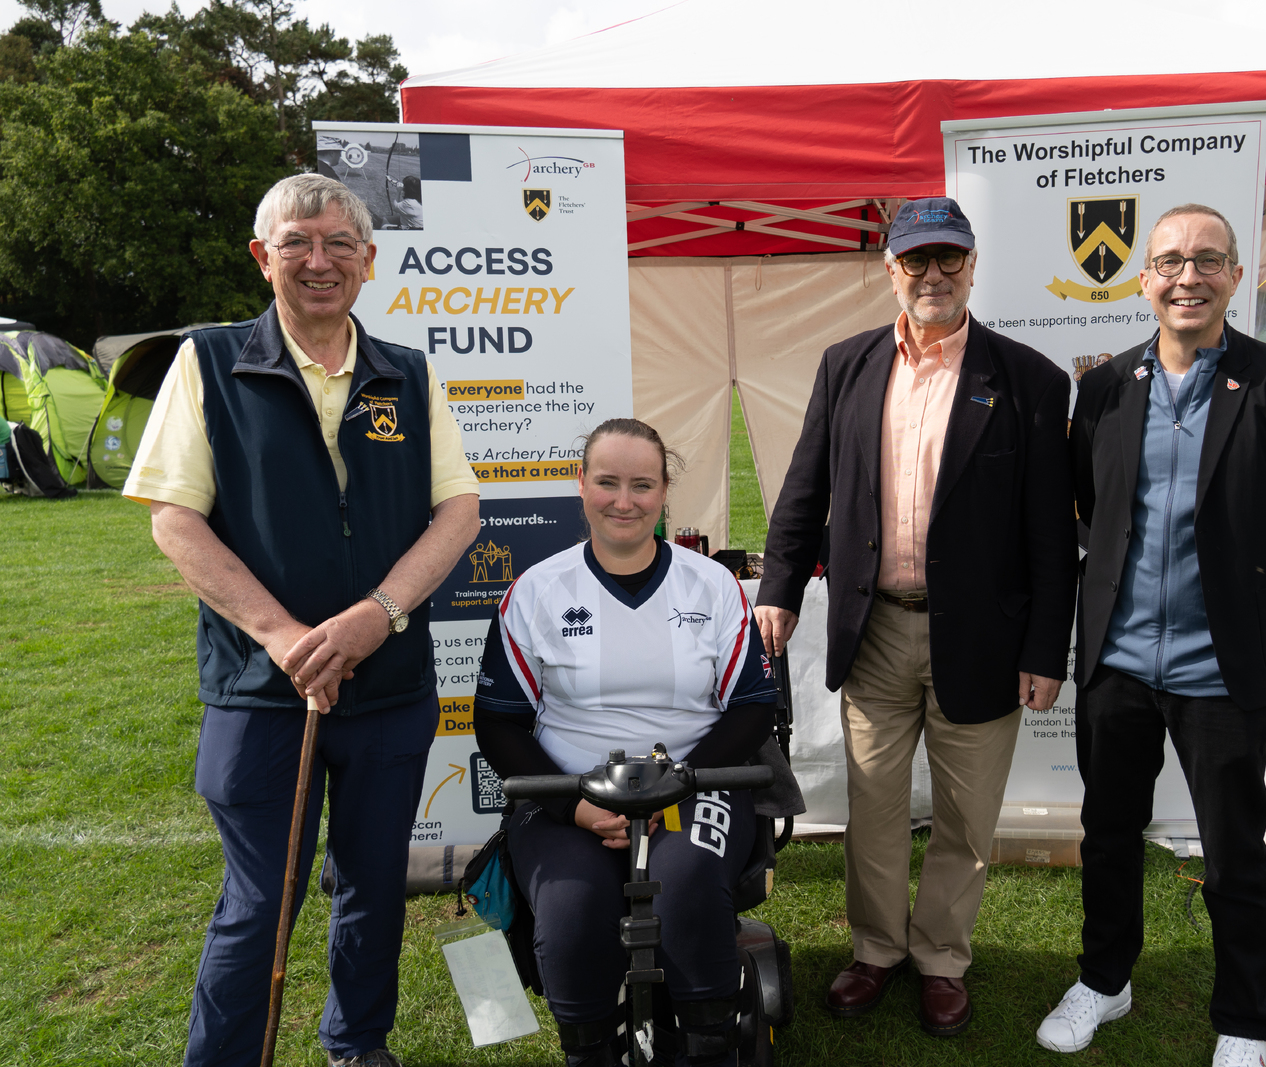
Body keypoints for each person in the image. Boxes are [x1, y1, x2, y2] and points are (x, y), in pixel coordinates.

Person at [125, 173, 481, 1067]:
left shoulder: (411, 371)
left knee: (372, 888)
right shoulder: (208, 360)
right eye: (296, 243)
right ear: (263, 257)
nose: (317, 261)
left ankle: (357, 1046)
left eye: (337, 244)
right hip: (261, 692)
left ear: (368, 261)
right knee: (258, 901)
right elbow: (175, 518)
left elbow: (458, 514)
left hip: (391, 686)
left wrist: (379, 614)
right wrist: (286, 639)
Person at [1036, 204, 1266, 1067]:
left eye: (1208, 260)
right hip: (1121, 663)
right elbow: (1094, 512)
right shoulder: (1102, 390)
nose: (1188, 276)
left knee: (1233, 855)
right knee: (1108, 833)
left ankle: (1245, 1017)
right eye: (1170, 261)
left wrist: (1249, 576)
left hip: (1222, 670)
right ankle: (1106, 979)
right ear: (1144, 280)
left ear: (1236, 276)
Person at [755, 197, 1076, 1036]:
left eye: (949, 258)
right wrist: (780, 585)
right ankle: (875, 948)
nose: (932, 274)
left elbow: (1051, 530)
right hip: (875, 629)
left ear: (973, 265)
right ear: (890, 268)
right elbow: (805, 486)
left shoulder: (1032, 380)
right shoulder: (846, 365)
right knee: (874, 804)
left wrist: (1047, 644)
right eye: (915, 259)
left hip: (983, 635)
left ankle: (941, 956)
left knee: (967, 817)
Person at [473, 418, 797, 1067]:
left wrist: (679, 777)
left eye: (642, 484)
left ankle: (709, 1043)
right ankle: (590, 1049)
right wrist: (577, 808)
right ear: (582, 486)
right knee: (572, 905)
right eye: (608, 481)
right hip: (571, 792)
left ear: (664, 489)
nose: (624, 499)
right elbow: (498, 721)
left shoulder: (713, 586)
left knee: (686, 884)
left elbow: (755, 705)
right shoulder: (535, 591)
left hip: (697, 781)